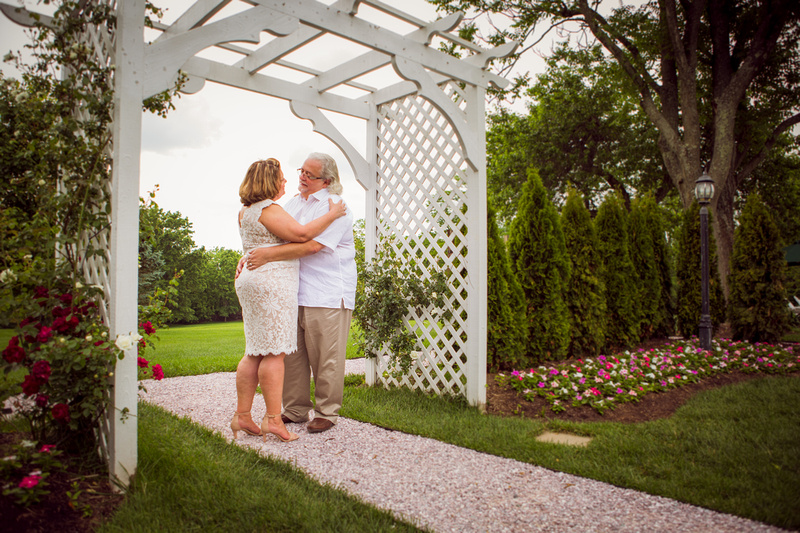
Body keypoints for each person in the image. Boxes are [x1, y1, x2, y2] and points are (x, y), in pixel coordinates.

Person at [241, 152, 357, 434]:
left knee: (325, 357)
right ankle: (295, 408)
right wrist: (249, 255)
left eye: (309, 174)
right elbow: (273, 233)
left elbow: (312, 246)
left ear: (326, 180)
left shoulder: (336, 205)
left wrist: (266, 255)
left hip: (326, 291)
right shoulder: (292, 203)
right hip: (290, 290)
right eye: (301, 171)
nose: (301, 177)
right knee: (291, 355)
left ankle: (327, 412)